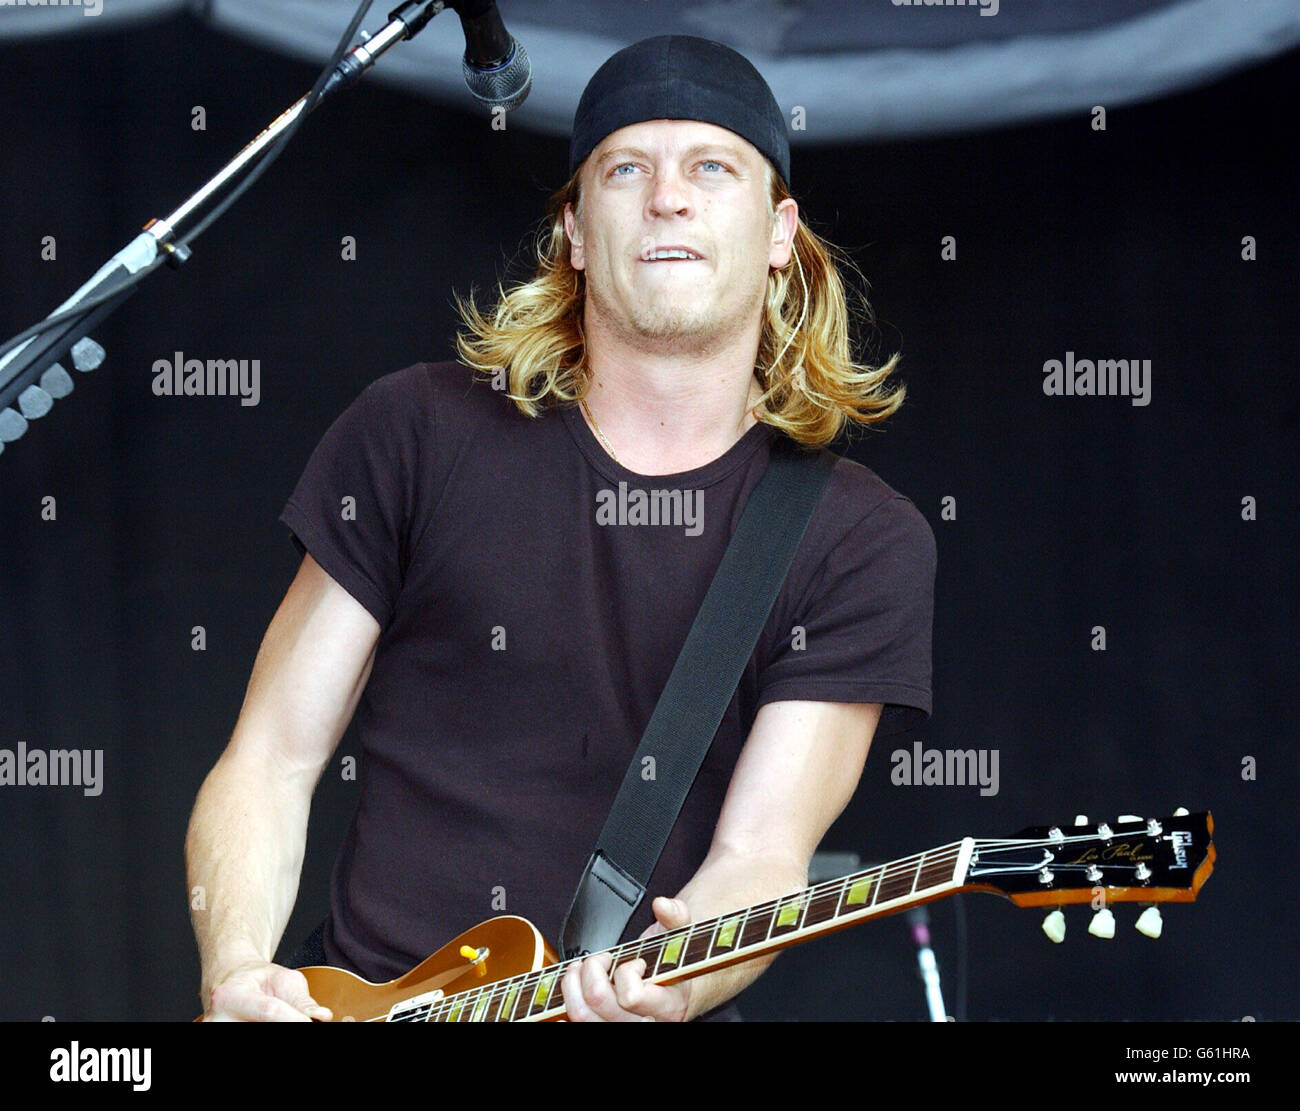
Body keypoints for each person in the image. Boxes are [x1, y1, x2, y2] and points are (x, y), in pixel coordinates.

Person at [185, 34, 936, 1022]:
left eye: (712, 166)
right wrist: (235, 971)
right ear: (576, 230)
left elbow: (760, 855)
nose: (667, 197)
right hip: (366, 1000)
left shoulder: (856, 538)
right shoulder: (419, 430)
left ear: (778, 231)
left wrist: (681, 979)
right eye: (626, 169)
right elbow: (272, 756)